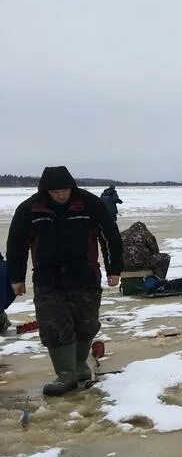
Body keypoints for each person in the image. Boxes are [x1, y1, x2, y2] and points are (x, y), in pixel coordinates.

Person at [6, 166, 123, 396]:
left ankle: (79, 366)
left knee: (86, 324)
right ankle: (66, 373)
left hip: (85, 275)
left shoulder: (90, 204)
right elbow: (16, 245)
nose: (60, 195)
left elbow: (110, 237)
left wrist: (114, 270)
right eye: (55, 192)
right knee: (53, 324)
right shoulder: (30, 209)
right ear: (46, 191)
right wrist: (16, 278)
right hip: (48, 278)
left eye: (64, 190)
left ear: (71, 188)